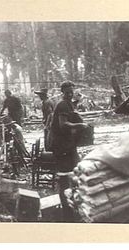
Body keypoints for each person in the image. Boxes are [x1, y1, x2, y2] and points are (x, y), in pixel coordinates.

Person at [50, 81, 89, 222]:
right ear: (63, 92)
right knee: (64, 178)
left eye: (71, 91)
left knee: (73, 175)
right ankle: (66, 211)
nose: (70, 94)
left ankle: (70, 207)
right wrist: (80, 125)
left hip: (69, 145)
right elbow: (63, 125)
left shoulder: (70, 104)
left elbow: (73, 112)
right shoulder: (62, 105)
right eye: (67, 92)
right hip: (62, 147)